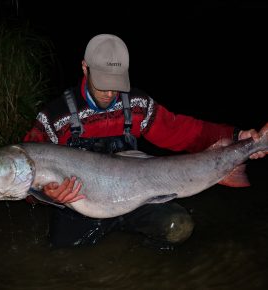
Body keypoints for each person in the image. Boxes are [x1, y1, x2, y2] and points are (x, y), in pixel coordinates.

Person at [24, 34, 267, 249]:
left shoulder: (138, 104)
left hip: (137, 197)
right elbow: (25, 179)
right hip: (80, 207)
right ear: (85, 68)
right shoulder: (55, 117)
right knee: (63, 252)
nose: (111, 93)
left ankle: (137, 259)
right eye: (103, 82)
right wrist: (47, 195)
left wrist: (236, 137)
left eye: (116, 83)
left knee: (178, 227)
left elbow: (185, 132)